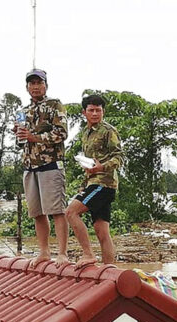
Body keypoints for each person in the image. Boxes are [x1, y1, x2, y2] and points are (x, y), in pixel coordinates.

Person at [15, 69, 69, 267]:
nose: (35, 86)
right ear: (27, 87)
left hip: (50, 164)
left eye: (39, 83)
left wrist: (34, 137)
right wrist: (19, 134)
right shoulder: (23, 111)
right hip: (29, 165)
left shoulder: (55, 105)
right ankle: (44, 252)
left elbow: (62, 133)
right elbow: (21, 143)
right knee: (37, 212)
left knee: (57, 210)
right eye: (32, 83)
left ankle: (62, 253)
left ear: (46, 85)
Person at [65, 95, 124, 267]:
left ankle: (88, 254)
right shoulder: (86, 134)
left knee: (71, 212)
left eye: (98, 110)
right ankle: (109, 269)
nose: (95, 113)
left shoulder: (108, 131)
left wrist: (101, 167)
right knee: (101, 231)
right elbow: (89, 162)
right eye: (91, 110)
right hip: (92, 183)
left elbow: (119, 157)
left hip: (103, 184)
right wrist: (85, 180)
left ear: (103, 111)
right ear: (84, 112)